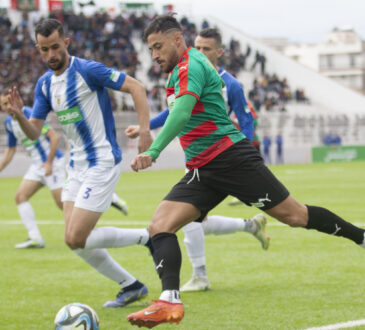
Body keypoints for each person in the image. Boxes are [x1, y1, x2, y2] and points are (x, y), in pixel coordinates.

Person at [126, 15, 365, 328]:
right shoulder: (177, 72)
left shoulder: (191, 66)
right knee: (160, 226)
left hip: (231, 159)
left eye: (158, 47)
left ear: (176, 40)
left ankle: (361, 237)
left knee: (296, 216)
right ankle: (169, 301)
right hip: (203, 168)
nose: (154, 54)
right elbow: (177, 111)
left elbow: (182, 112)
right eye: (151, 49)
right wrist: (146, 127)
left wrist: (153, 150)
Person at [7, 18, 154, 308]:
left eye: (55, 47)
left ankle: (148, 237)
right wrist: (19, 116)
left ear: (66, 43)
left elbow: (137, 88)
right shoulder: (45, 84)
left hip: (101, 160)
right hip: (75, 166)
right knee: (73, 241)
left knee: (77, 235)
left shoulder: (88, 70)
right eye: (45, 49)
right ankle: (132, 285)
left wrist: (146, 130)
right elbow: (35, 132)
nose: (51, 55)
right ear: (38, 49)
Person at [125, 27, 269, 293]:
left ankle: (200, 275)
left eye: (206, 49)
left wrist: (243, 156)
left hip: (225, 156)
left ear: (219, 52)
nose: (200, 52)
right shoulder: (187, 73)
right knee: (194, 219)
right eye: (198, 47)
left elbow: (247, 119)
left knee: (188, 219)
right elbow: (176, 111)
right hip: (199, 156)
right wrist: (146, 127)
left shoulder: (231, 84)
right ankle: (248, 226)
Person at [0, 93, 64, 248]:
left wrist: (49, 163)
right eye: (3, 104)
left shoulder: (29, 113)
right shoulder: (9, 123)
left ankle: (90, 231)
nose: (8, 106)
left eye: (9, 102)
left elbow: (54, 137)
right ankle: (35, 238)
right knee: (20, 197)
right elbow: (10, 150)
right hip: (37, 165)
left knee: (63, 204)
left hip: (53, 162)